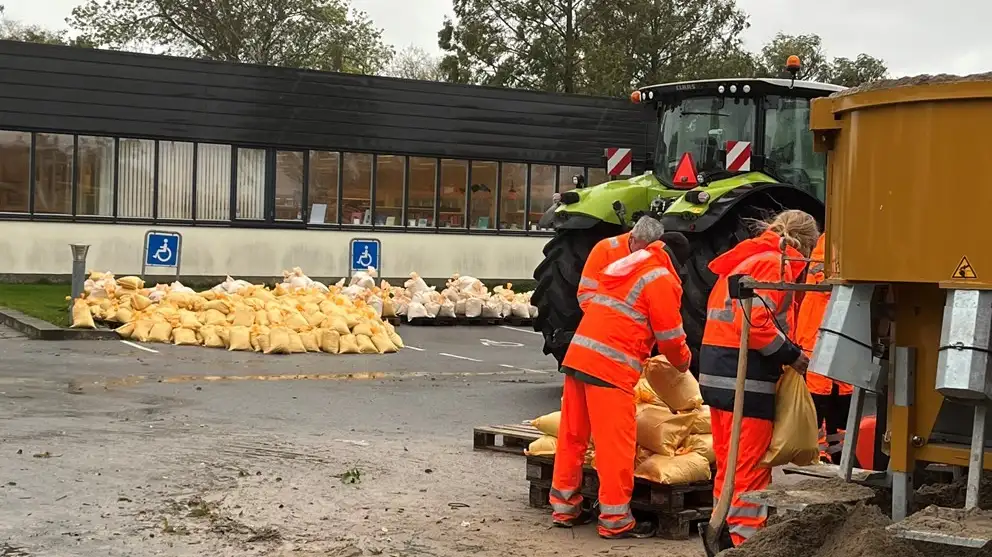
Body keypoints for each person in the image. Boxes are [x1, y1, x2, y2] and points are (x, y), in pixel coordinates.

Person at [549, 217, 692, 540]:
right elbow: (670, 337)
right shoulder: (660, 278)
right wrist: (683, 363)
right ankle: (615, 520)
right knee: (616, 445)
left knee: (572, 435)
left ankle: (564, 507)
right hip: (610, 368)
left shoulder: (626, 268)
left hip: (579, 357)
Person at [698, 209, 820, 549]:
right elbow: (755, 327)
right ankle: (747, 542)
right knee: (750, 468)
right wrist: (794, 357)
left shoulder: (746, 259)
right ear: (808, 243)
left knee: (729, 462)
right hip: (744, 377)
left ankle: (720, 529)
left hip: (718, 370)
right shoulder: (773, 263)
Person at [793, 233, 854, 464]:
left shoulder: (837, 239)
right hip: (821, 334)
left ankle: (838, 451)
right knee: (821, 395)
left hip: (833, 333)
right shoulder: (835, 241)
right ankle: (818, 453)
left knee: (839, 396)